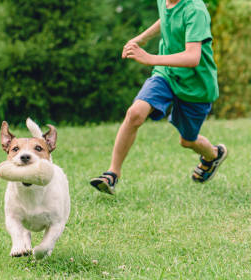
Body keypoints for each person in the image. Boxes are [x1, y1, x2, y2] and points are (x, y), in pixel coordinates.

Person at [90, 0, 227, 195]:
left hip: (196, 86)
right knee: (135, 113)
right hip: (167, 73)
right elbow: (167, 19)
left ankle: (213, 155)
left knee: (187, 141)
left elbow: (192, 57)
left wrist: (150, 58)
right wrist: (142, 38)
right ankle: (112, 173)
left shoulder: (195, 10)